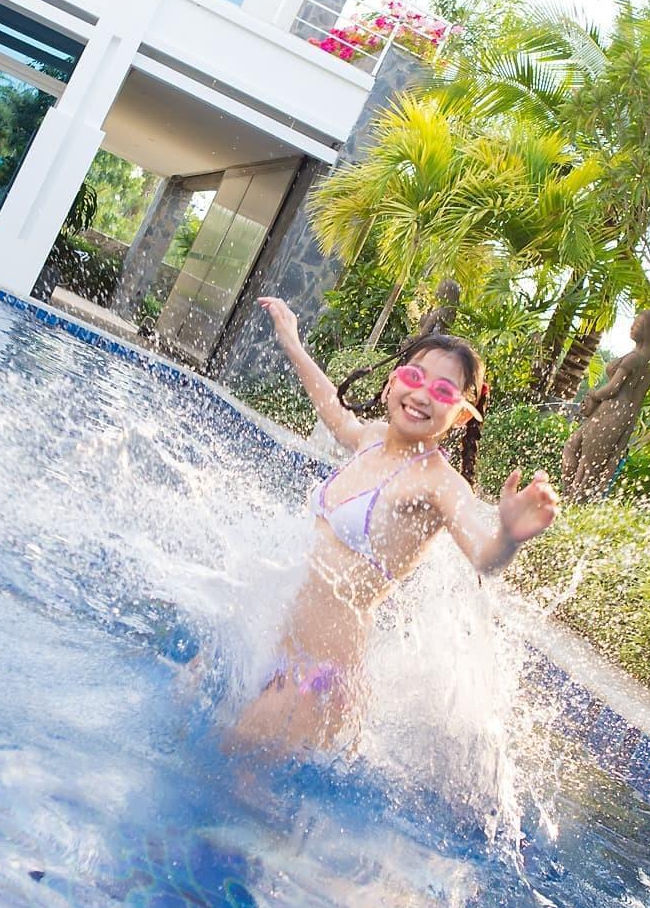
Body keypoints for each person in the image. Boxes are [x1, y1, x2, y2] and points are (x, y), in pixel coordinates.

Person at [228, 297, 561, 752]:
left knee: (234, 772)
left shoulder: (440, 485)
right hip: (282, 646)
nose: (423, 394)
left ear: (462, 414)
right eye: (414, 377)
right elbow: (332, 408)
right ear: (392, 383)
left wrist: (508, 535)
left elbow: (485, 557)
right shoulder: (369, 439)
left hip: (320, 674)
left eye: (444, 392)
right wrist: (292, 342)